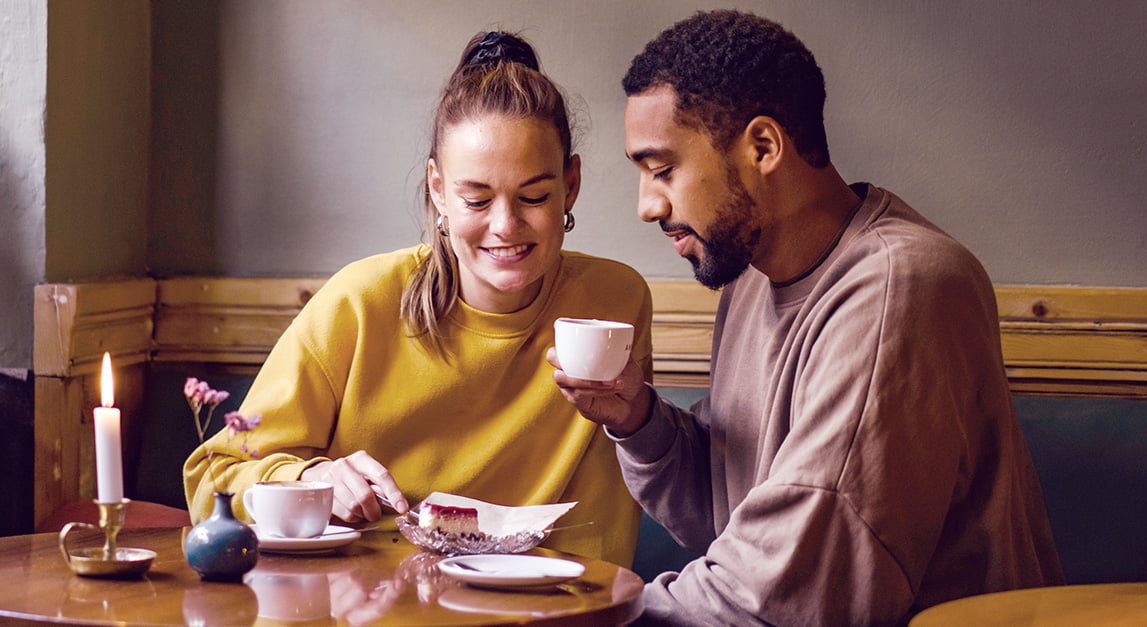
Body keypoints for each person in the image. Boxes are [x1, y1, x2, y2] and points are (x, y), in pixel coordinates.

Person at [549, 9, 1064, 624]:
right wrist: (638, 421)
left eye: (662, 170)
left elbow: (783, 592)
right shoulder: (749, 276)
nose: (646, 205)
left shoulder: (902, 288)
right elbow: (730, 511)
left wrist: (579, 619)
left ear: (763, 147)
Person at [184, 30, 652, 566]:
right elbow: (212, 477)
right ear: (437, 188)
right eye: (476, 198)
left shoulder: (616, 302)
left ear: (571, 184)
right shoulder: (359, 304)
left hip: (557, 608)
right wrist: (308, 477)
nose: (506, 225)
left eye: (535, 196)